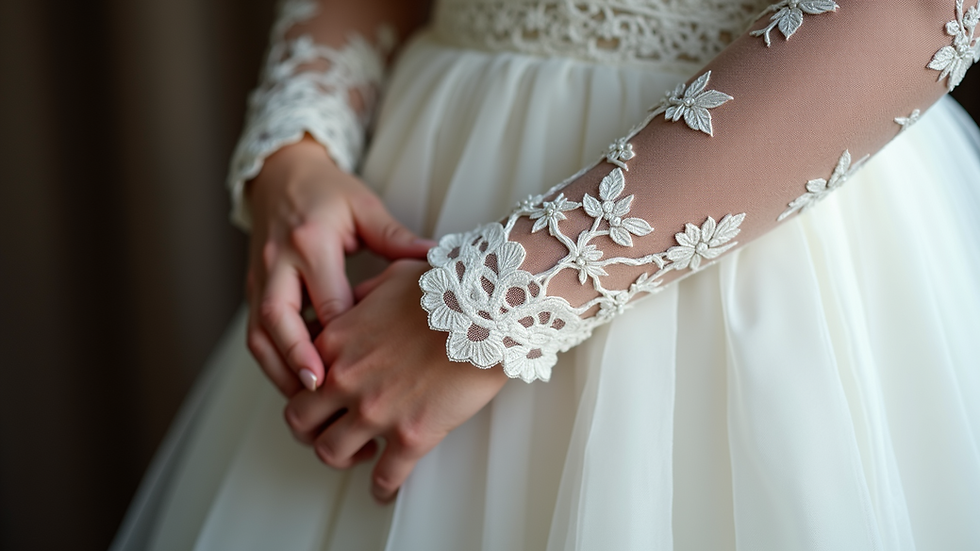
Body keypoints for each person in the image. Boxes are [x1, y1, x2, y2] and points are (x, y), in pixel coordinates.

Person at [113, 0, 980, 549]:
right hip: (414, 205)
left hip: (744, 232)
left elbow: (918, 13)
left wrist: (494, 304)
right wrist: (297, 151)